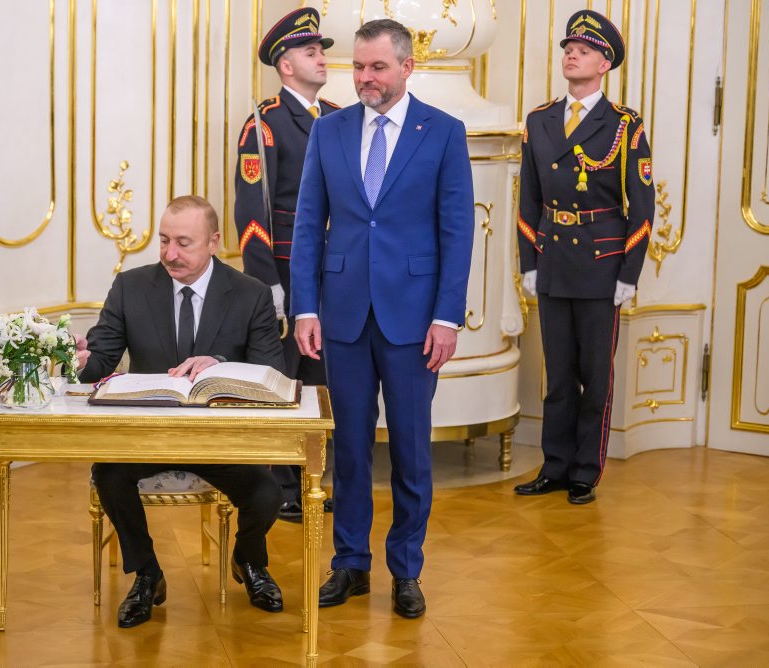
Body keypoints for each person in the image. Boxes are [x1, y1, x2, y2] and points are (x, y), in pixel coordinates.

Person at [289, 19, 474, 619]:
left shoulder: (443, 132)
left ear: (406, 68)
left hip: (414, 321)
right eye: (358, 67)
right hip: (341, 315)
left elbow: (457, 232)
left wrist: (447, 317)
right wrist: (306, 306)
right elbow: (308, 223)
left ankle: (406, 569)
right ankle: (350, 563)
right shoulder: (329, 130)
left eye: (377, 67)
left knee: (412, 451)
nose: (364, 78)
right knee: (348, 446)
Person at [75, 195, 287, 628]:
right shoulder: (130, 287)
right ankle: (147, 573)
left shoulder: (251, 294)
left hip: (218, 440)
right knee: (109, 474)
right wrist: (79, 358)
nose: (170, 254)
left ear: (213, 241)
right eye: (164, 241)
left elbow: (271, 372)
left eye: (183, 243)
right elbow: (100, 361)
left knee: (268, 492)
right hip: (149, 435)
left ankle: (248, 560)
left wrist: (219, 364)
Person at [513, 10, 654, 505]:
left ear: (604, 64)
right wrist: (529, 262)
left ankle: (584, 472)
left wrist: (629, 273)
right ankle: (554, 466)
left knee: (594, 378)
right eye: (569, 49)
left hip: (601, 265)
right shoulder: (539, 120)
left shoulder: (624, 125)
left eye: (584, 50)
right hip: (553, 261)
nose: (572, 55)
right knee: (557, 376)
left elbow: (642, 206)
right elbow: (529, 198)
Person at [235, 7, 339, 522]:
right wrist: (267, 285)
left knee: (324, 379)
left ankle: (313, 479)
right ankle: (279, 488)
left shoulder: (339, 117)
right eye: (310, 52)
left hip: (335, 269)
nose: (322, 59)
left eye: (321, 51)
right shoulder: (265, 125)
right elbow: (252, 214)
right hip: (287, 271)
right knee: (285, 378)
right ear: (286, 65)